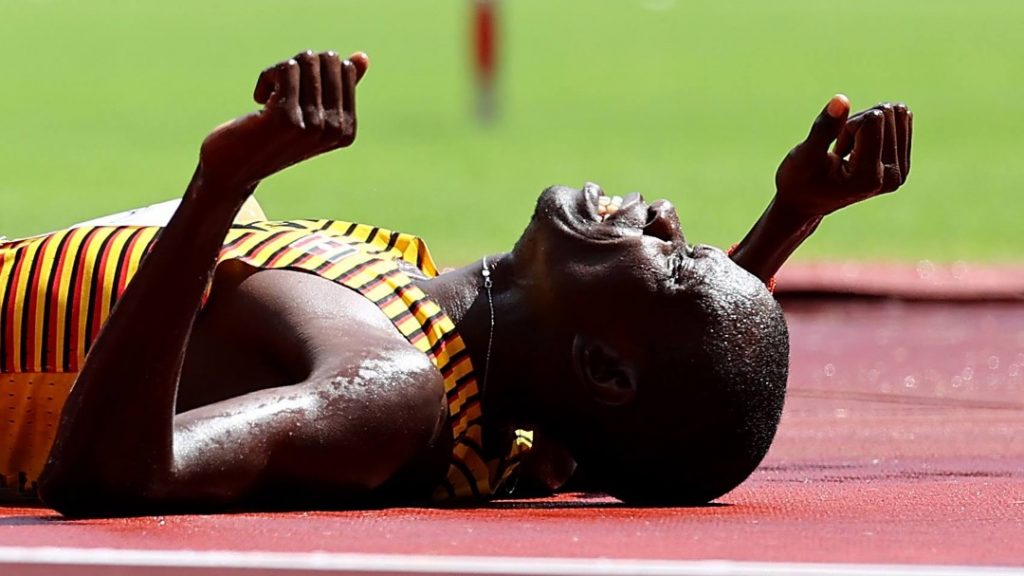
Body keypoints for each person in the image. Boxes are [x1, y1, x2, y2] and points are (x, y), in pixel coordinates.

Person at [0, 50, 911, 515]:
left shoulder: (395, 390)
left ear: (600, 367)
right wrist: (790, 217)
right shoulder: (456, 344)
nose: (667, 211)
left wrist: (222, 186)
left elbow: (112, 478)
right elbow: (668, 384)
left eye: (674, 252)